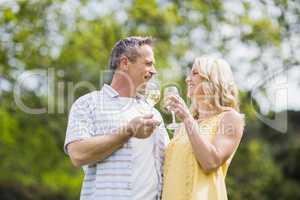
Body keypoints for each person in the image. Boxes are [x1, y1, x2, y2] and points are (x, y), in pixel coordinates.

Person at [64, 36, 169, 200]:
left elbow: (167, 163)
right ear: (125, 63)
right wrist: (127, 131)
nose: (154, 70)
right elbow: (78, 155)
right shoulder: (88, 104)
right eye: (148, 63)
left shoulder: (154, 114)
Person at [162, 56, 245, 200]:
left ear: (212, 80)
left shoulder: (230, 118)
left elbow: (210, 162)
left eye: (195, 73)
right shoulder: (180, 128)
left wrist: (187, 119)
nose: (188, 79)